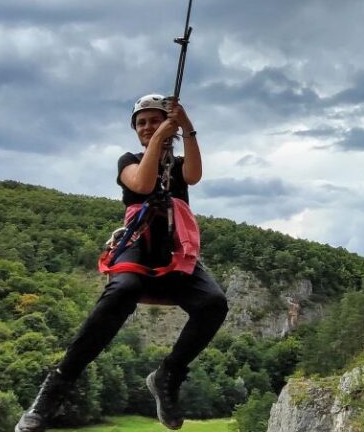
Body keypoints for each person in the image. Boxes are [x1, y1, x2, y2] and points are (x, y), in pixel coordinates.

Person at [15, 94, 229, 432]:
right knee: (123, 289)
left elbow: (195, 174)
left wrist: (186, 127)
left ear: (168, 124)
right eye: (141, 123)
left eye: (154, 120)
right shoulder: (128, 160)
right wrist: (162, 135)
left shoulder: (175, 165)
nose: (147, 127)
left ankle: (168, 376)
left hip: (174, 245)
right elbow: (143, 184)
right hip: (138, 240)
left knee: (213, 303)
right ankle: (51, 393)